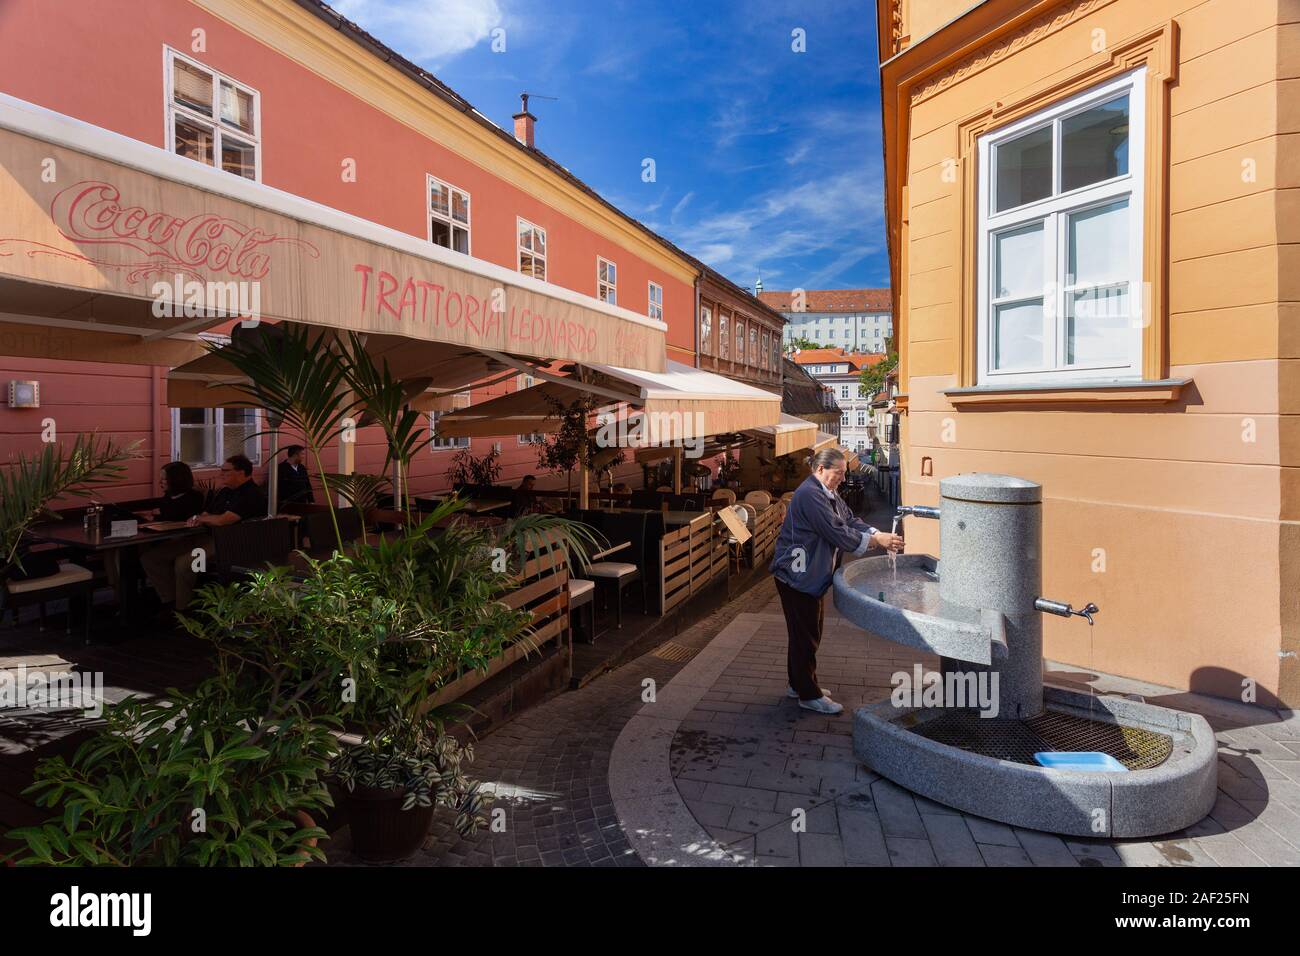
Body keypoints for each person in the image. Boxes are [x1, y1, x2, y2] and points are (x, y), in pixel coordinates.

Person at [769, 447, 902, 714]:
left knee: (804, 634)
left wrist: (877, 531)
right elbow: (836, 531)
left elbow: (850, 519)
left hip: (804, 576)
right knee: (805, 636)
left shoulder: (825, 492)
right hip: (796, 577)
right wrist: (877, 541)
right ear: (821, 470)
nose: (842, 478)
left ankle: (799, 684)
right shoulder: (810, 495)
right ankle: (808, 694)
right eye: (838, 473)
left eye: (844, 472)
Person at [140, 454, 266, 614]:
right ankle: (169, 600)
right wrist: (202, 518)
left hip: (229, 543)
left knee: (184, 563)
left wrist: (202, 518)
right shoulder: (225, 492)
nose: (221, 474)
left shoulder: (251, 494)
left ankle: (183, 610)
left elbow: (223, 520)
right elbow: (207, 513)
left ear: (241, 472)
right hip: (204, 536)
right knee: (152, 558)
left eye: (226, 471)